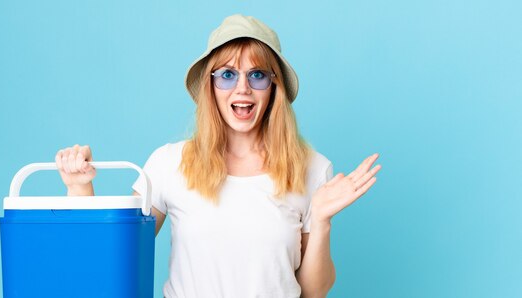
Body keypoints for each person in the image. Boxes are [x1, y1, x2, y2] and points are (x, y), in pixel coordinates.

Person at [54, 14, 381, 298]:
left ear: (273, 87)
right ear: (210, 87)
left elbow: (314, 292)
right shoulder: (169, 164)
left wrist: (321, 221)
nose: (242, 89)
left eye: (257, 75)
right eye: (227, 75)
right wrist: (79, 190)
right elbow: (115, 261)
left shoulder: (312, 168)